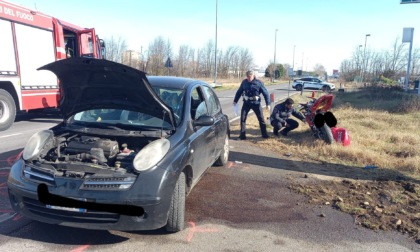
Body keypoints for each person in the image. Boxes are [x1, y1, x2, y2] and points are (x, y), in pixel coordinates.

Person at [233, 70, 270, 140]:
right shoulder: (244, 82)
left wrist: (268, 104)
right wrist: (235, 101)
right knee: (243, 119)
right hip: (246, 103)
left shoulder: (259, 83)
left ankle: (264, 134)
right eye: (247, 77)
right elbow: (239, 91)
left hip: (256, 103)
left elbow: (266, 93)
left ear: (253, 76)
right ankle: (242, 135)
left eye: (250, 77)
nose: (248, 78)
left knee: (261, 119)